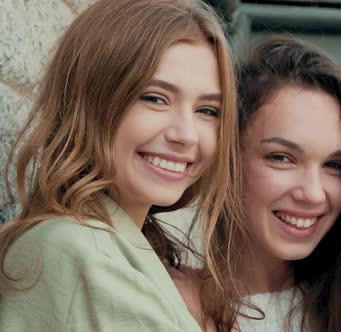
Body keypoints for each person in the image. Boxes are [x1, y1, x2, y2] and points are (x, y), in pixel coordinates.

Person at [0, 0, 240, 331]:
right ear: (90, 100)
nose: (187, 135)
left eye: (208, 110)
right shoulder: (78, 252)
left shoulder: (121, 247)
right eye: (155, 98)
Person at [170, 35, 341, 331]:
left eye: (335, 165)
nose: (312, 193)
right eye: (282, 158)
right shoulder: (165, 301)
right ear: (228, 159)